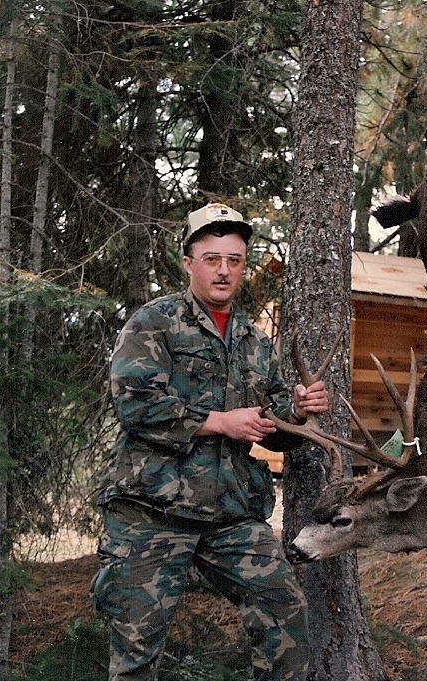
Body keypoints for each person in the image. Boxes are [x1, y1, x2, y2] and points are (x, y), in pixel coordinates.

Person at [92, 202, 328, 681]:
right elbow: (136, 405)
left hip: (229, 517)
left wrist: (298, 411)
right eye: (212, 258)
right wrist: (221, 422)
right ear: (188, 262)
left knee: (286, 616)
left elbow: (273, 420)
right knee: (136, 659)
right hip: (149, 515)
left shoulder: (255, 341)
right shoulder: (153, 322)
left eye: (235, 259)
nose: (224, 270)